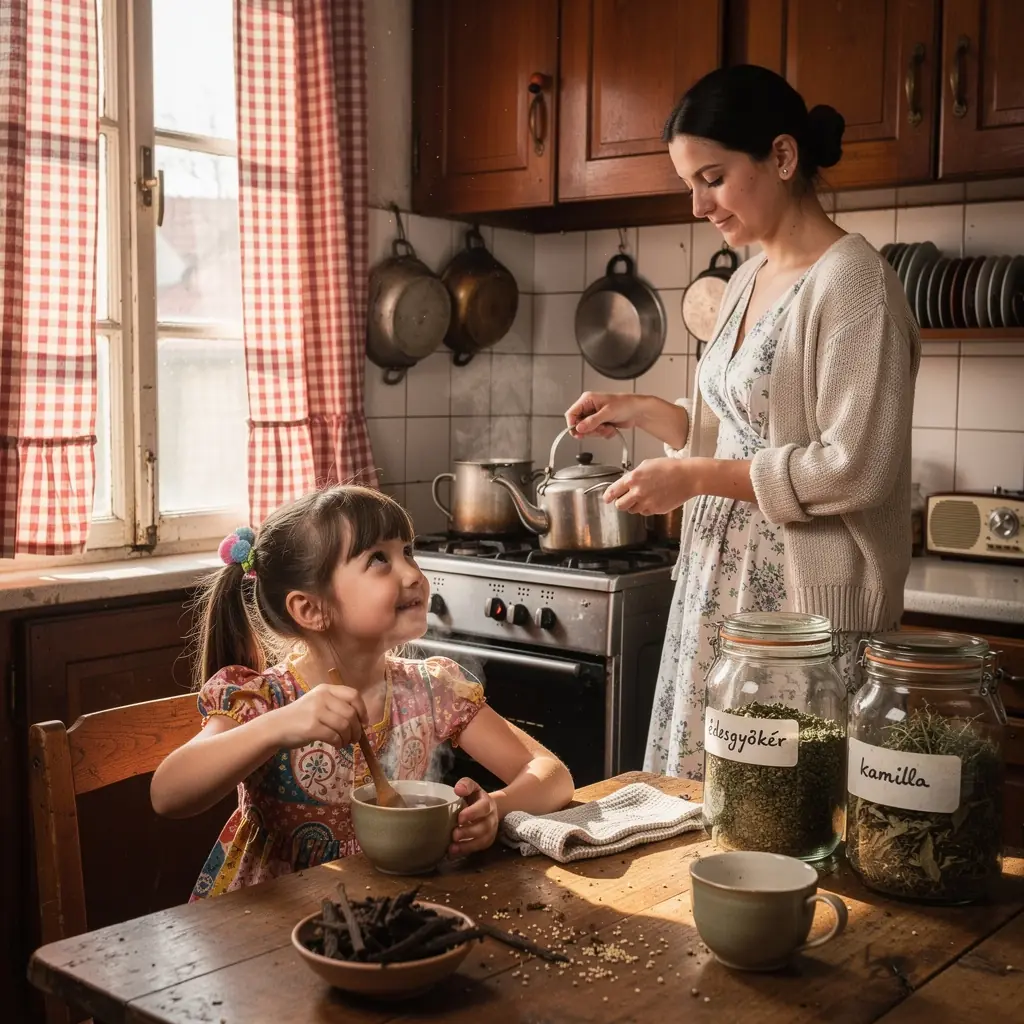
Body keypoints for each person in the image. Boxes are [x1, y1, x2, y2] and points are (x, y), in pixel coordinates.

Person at [565, 65, 920, 780]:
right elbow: (739, 429)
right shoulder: (744, 280)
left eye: (713, 178)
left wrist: (697, 477)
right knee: (707, 800)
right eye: (689, 184)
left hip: (799, 604)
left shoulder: (855, 283)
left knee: (777, 807)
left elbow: (856, 466)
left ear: (782, 156)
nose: (698, 206)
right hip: (715, 583)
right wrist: (645, 411)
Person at [151, 486, 574, 899]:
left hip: (395, 904)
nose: (413, 574)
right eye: (379, 559)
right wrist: (277, 727)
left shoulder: (434, 689)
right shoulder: (264, 699)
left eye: (407, 551)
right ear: (311, 609)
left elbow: (553, 776)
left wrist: (495, 809)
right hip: (270, 919)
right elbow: (168, 794)